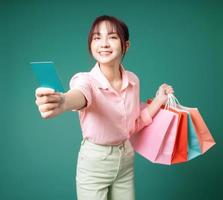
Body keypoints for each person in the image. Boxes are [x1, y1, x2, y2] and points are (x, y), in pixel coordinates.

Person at [35, 15, 174, 200]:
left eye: (113, 37)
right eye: (96, 37)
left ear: (126, 45)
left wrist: (158, 100)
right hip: (95, 162)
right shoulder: (85, 80)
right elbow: (80, 94)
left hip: (125, 158)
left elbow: (134, 124)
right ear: (91, 44)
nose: (104, 43)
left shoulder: (133, 80)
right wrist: (63, 102)